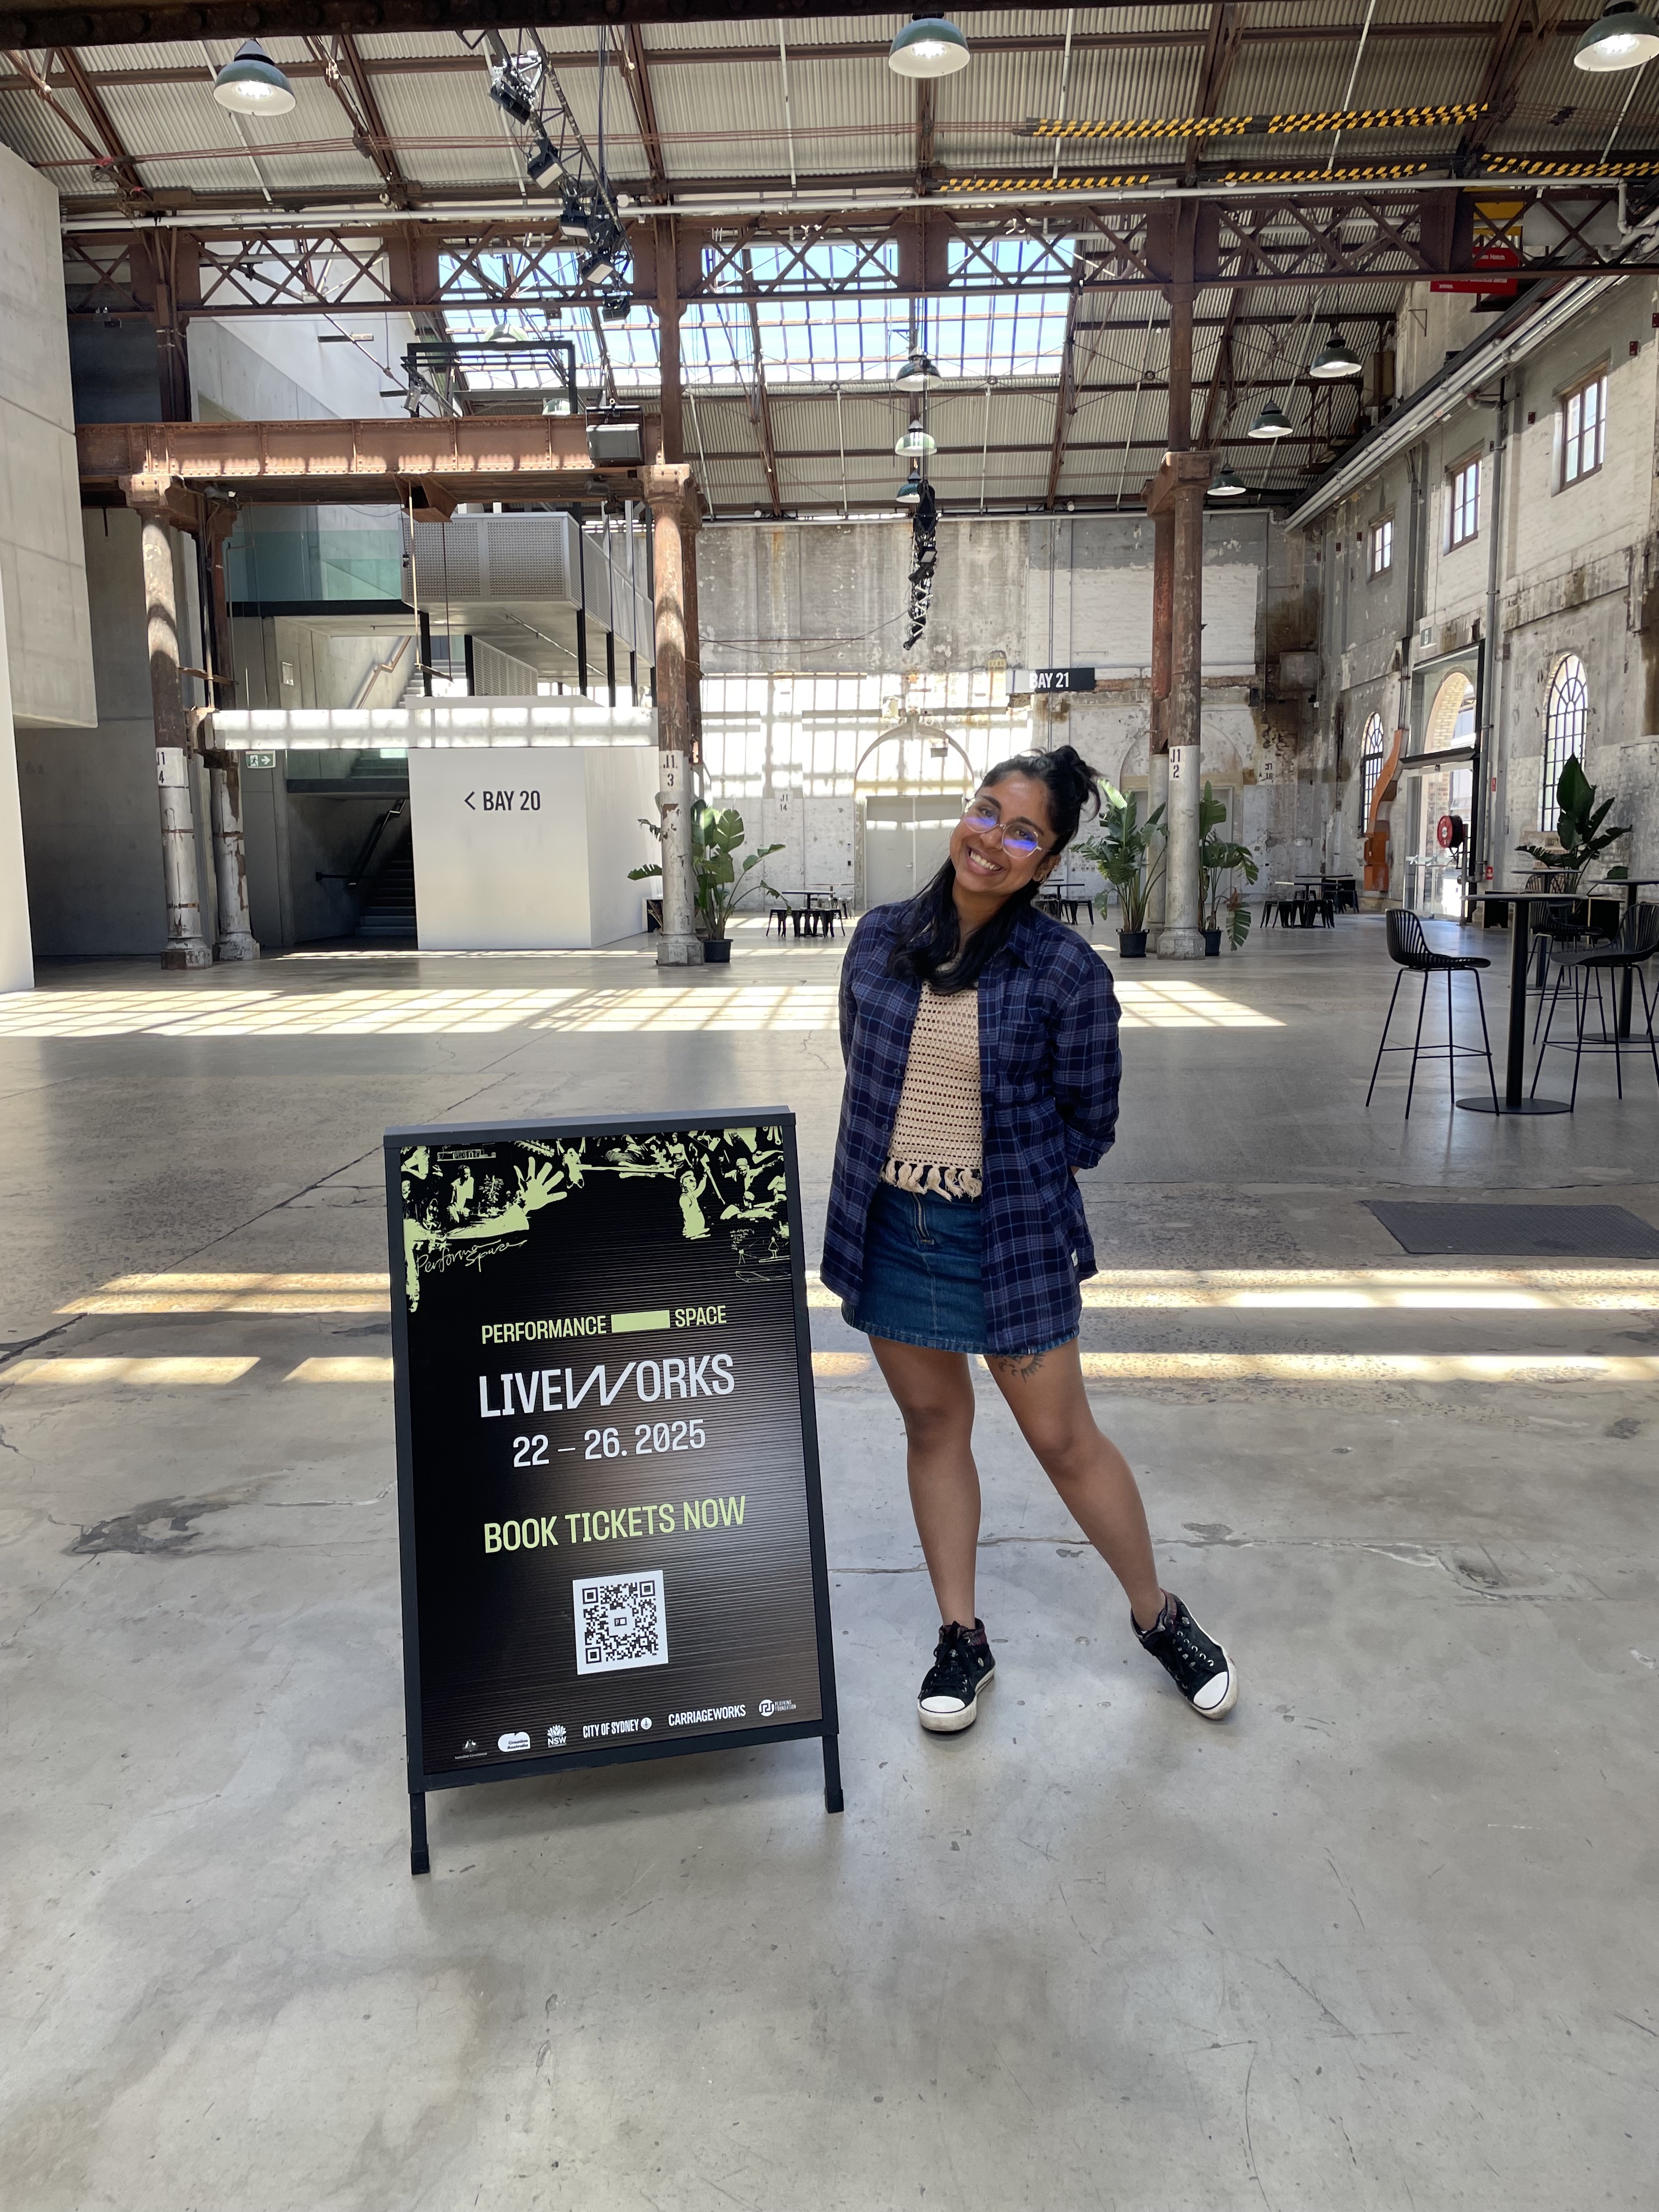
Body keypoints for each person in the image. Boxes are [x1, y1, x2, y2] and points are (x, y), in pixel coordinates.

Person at [823, 747, 1237, 1735]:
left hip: (1005, 1234)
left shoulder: (1067, 974)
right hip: (893, 1226)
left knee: (1061, 1440)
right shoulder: (879, 940)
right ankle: (961, 1636)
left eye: (1022, 832)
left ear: (1045, 862)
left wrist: (1001, 1167)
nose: (991, 840)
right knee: (935, 1428)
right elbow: (865, 1069)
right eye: (985, 812)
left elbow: (1090, 1123)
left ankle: (1158, 1615)